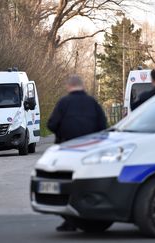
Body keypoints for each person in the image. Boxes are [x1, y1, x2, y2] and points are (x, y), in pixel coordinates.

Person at [47, 75, 107, 231]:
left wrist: (62, 134)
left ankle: (70, 220)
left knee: (66, 186)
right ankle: (89, 217)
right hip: (90, 153)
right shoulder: (93, 103)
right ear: (83, 86)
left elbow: (51, 124)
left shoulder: (63, 103)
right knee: (87, 185)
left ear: (69, 87)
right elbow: (103, 126)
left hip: (67, 151)